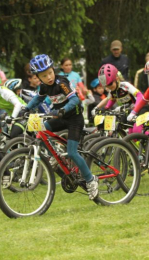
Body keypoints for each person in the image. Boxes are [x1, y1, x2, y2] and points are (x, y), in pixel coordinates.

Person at [21, 54, 98, 199]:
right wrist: (26, 108)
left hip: (74, 119)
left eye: (50, 72)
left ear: (53, 70)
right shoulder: (44, 87)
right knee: (42, 130)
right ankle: (54, 155)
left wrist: (63, 109)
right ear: (38, 77)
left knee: (72, 153)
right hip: (60, 118)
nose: (49, 77)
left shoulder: (61, 82)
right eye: (44, 75)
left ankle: (91, 180)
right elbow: (38, 98)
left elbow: (75, 99)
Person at [91, 64, 144, 133]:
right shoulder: (112, 90)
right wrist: (105, 108)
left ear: (117, 78)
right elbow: (111, 99)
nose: (109, 87)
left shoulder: (124, 85)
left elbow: (140, 95)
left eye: (110, 84)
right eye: (106, 86)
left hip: (140, 107)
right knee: (129, 133)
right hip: (130, 110)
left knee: (136, 130)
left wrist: (135, 110)